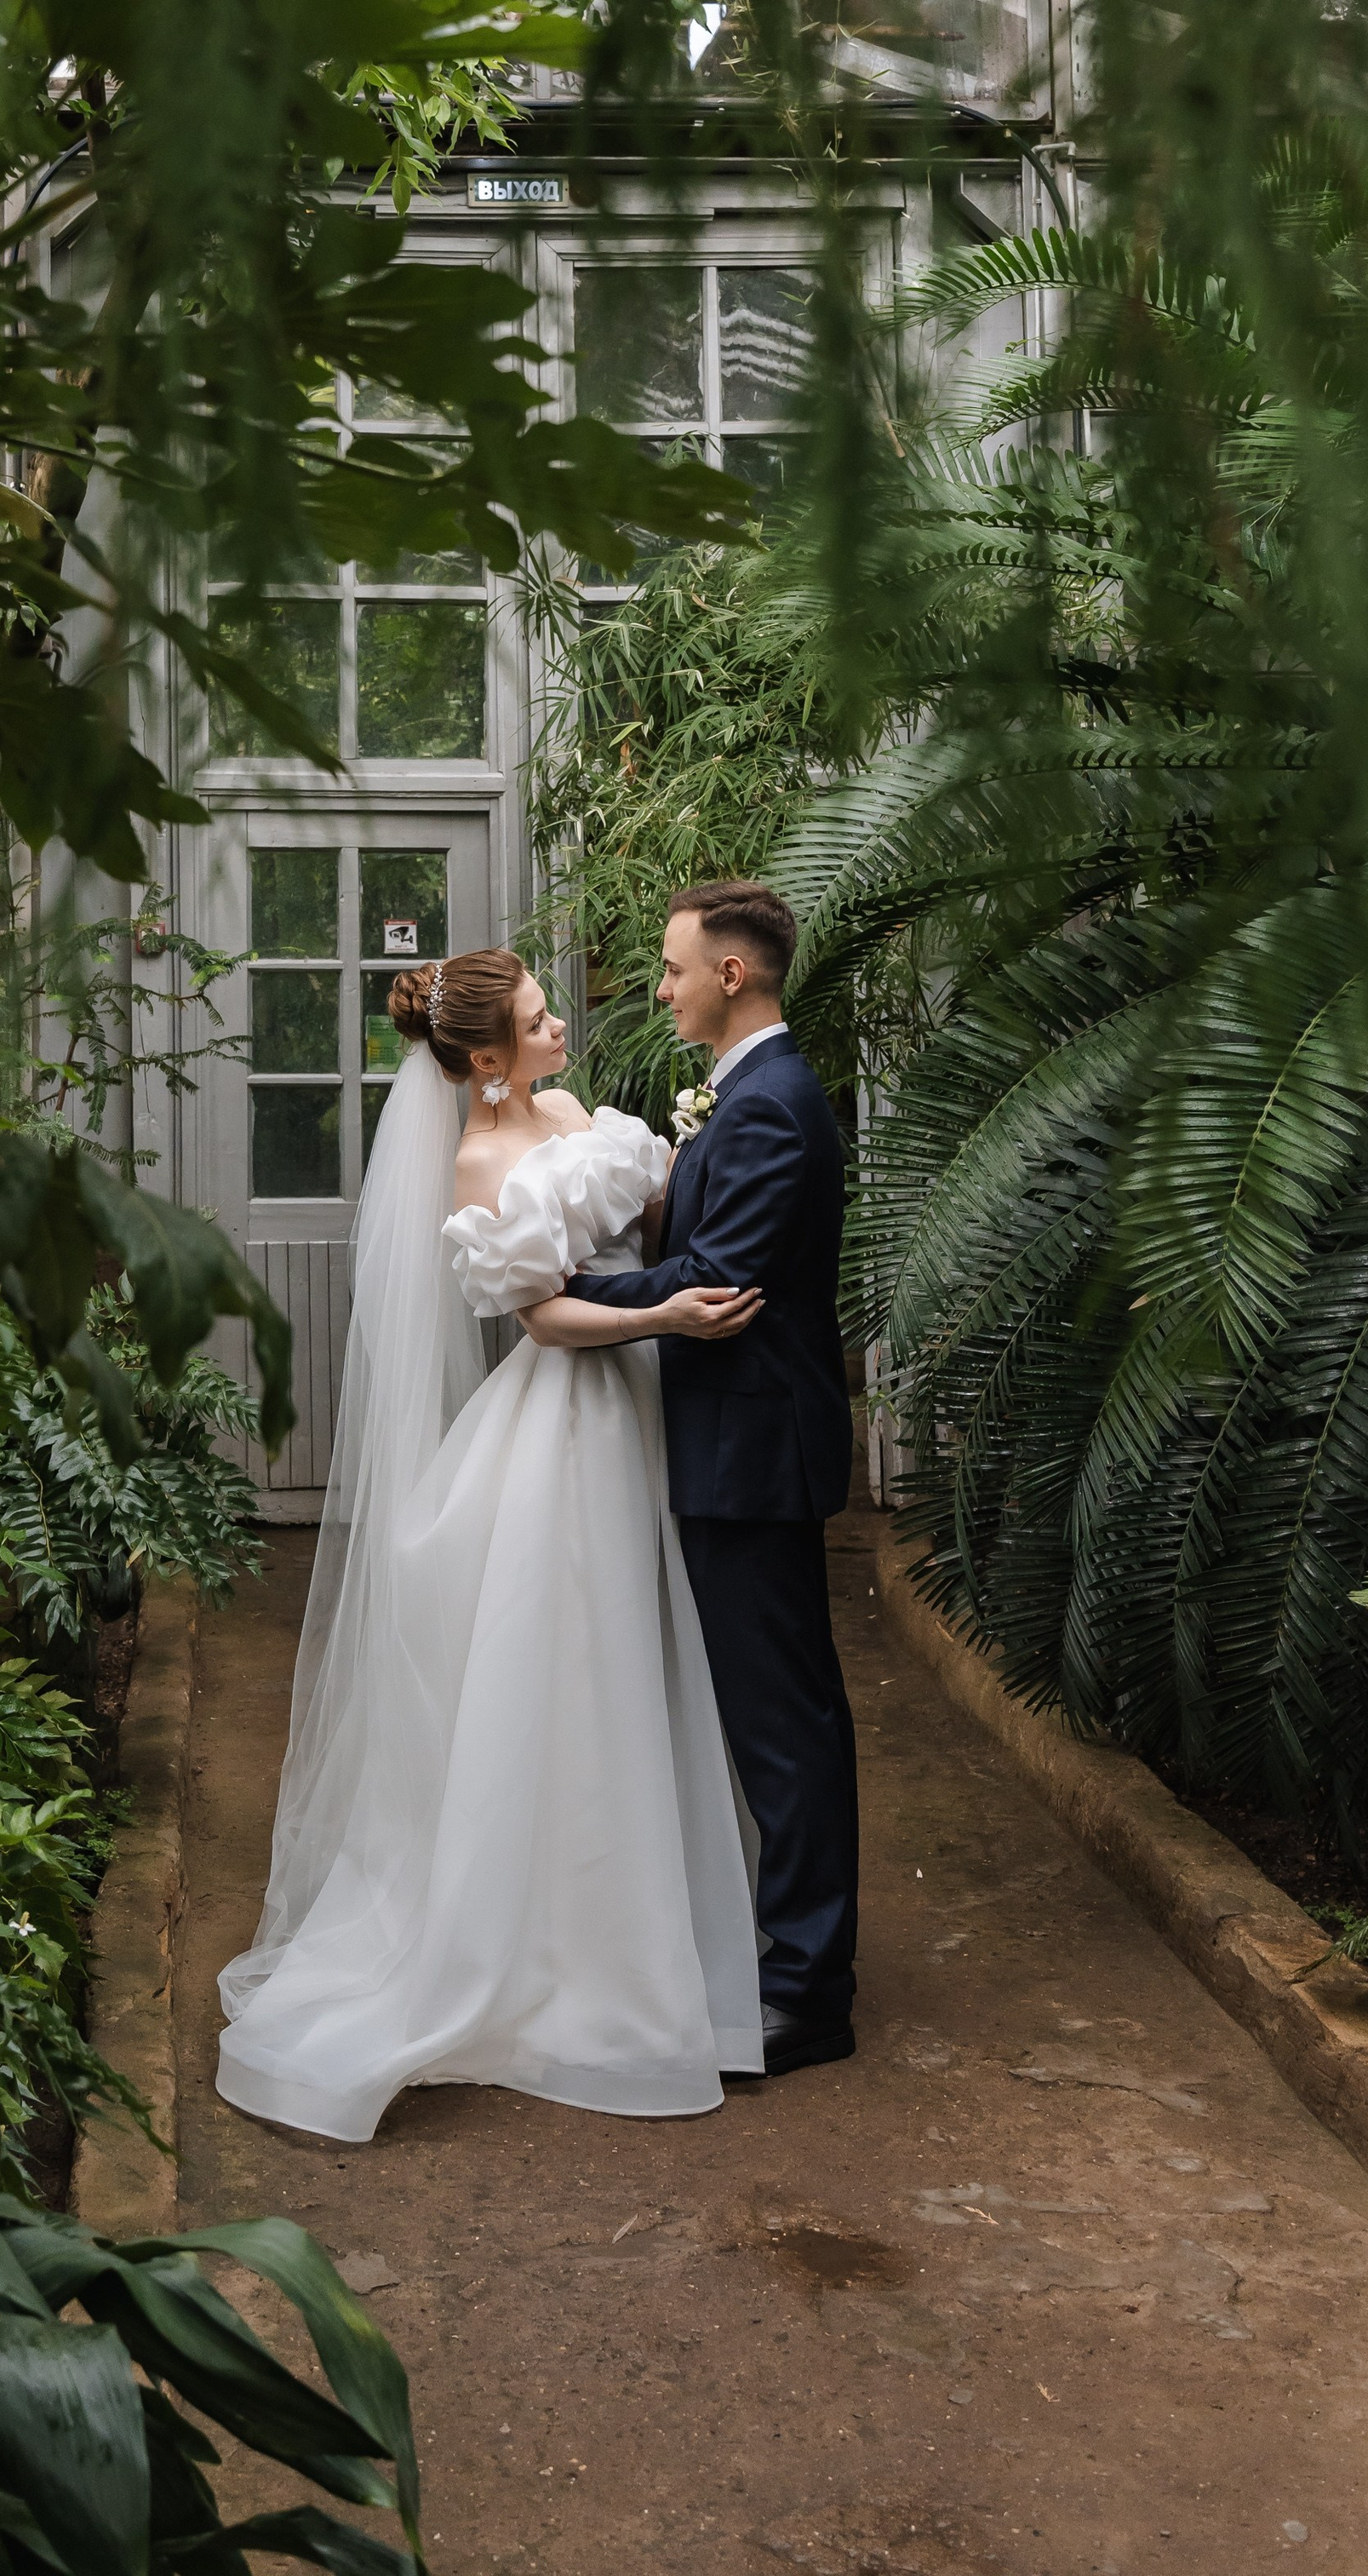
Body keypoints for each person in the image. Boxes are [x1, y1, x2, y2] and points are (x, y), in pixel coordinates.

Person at [215, 948, 766, 2143]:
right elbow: (544, 1317)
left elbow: (651, 1214)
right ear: (486, 1060)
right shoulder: (478, 1159)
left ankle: (657, 1927)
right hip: (571, 1420)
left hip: (641, 1409)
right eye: (537, 1019)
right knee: (577, 1664)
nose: (560, 1026)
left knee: (640, 1654)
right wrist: (668, 1314)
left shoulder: (568, 1111)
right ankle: (561, 1949)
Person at [544, 881, 858, 2076]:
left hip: (754, 1452)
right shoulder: (746, 1094)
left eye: (675, 968)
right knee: (771, 1717)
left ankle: (808, 1994)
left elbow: (716, 1278)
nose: (662, 987)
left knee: (785, 1726)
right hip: (731, 1446)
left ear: (733, 975)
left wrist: (561, 1297)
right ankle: (785, 1959)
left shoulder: (772, 1104)